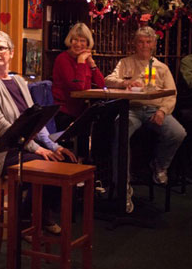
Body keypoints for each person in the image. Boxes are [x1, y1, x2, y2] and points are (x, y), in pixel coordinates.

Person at [0, 30, 76, 235]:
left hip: (22, 144)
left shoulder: (19, 81)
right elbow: (2, 127)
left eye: (1, 48)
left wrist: (54, 146)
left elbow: (35, 120)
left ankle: (35, 217)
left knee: (65, 160)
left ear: (11, 52)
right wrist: (38, 149)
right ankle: (26, 221)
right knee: (48, 165)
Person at [105, 26, 186, 212]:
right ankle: (122, 186)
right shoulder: (125, 63)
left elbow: (172, 95)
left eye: (148, 42)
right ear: (135, 43)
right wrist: (125, 83)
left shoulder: (161, 67)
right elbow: (108, 80)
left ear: (153, 45)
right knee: (120, 130)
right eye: (140, 41)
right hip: (130, 109)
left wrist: (163, 111)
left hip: (155, 110)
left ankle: (159, 166)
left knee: (178, 133)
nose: (144, 45)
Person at [52, 22, 105, 131]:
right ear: (70, 41)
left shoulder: (85, 59)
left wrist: (91, 63)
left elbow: (102, 84)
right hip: (64, 111)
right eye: (75, 40)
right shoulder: (62, 59)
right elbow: (78, 87)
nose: (78, 44)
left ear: (87, 43)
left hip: (81, 110)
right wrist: (81, 61)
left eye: (82, 41)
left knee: (105, 122)